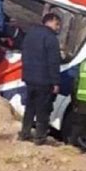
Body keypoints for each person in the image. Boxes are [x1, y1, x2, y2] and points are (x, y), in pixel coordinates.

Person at [19, 13, 62, 145]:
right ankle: (40, 137)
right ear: (51, 21)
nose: (58, 28)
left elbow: (24, 54)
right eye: (57, 24)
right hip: (44, 79)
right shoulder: (51, 38)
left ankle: (25, 133)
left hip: (29, 77)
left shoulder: (30, 34)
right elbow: (53, 62)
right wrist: (56, 82)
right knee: (43, 110)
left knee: (30, 107)